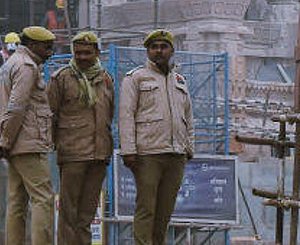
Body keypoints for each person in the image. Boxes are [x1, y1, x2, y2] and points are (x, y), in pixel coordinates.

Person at [120, 29, 194, 245]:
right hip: (147, 154)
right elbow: (126, 115)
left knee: (165, 212)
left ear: (172, 50)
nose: (159, 51)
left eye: (163, 47)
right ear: (147, 52)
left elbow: (188, 116)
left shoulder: (179, 80)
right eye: (154, 47)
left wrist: (189, 148)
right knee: (146, 208)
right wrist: (129, 151)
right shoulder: (135, 78)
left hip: (175, 155)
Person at [47, 31, 114, 245]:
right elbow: (51, 115)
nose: (83, 57)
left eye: (87, 52)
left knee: (87, 215)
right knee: (68, 213)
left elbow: (108, 114)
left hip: (99, 155)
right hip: (72, 154)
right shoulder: (62, 79)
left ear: (97, 52)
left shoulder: (106, 80)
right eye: (78, 53)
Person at [0, 25, 56, 245]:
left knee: (16, 202)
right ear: (31, 45)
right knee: (43, 199)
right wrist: (5, 140)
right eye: (46, 48)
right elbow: (16, 107)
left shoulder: (8, 66)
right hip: (28, 143)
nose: (50, 53)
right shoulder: (27, 67)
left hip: (12, 144)